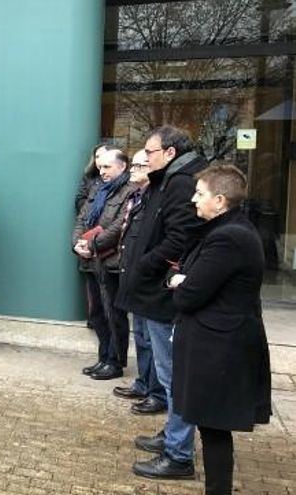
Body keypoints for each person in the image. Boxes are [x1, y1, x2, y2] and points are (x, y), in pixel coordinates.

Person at [169, 164, 271, 495]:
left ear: (220, 200)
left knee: (214, 428)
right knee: (211, 426)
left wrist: (180, 282)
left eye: (200, 194)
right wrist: (186, 279)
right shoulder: (226, 231)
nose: (194, 200)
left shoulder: (228, 237)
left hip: (220, 347)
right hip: (217, 341)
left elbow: (190, 293)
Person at [120, 125, 208, 480]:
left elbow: (178, 239)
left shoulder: (182, 184)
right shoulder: (169, 180)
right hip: (152, 290)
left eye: (150, 152)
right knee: (168, 373)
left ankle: (178, 454)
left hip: (161, 294)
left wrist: (145, 265)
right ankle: (172, 437)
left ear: (170, 153)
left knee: (173, 376)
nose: (145, 158)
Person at [112, 150, 167, 416]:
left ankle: (156, 393)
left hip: (148, 278)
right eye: (132, 164)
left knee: (153, 340)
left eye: (139, 165)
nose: (133, 169)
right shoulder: (137, 196)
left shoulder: (158, 198)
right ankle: (143, 383)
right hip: (133, 273)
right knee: (142, 337)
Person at [72, 149, 134, 380]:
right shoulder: (97, 188)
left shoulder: (130, 191)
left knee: (114, 314)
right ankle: (103, 357)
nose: (102, 171)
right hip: (91, 260)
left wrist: (92, 244)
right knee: (97, 313)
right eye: (100, 166)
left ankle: (115, 361)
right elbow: (82, 218)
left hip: (112, 262)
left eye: (107, 167)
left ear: (122, 167)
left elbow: (119, 226)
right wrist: (77, 243)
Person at [75, 143, 106, 214]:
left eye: (103, 155)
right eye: (97, 156)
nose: (99, 159)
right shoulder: (89, 176)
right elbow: (80, 199)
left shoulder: (118, 177)